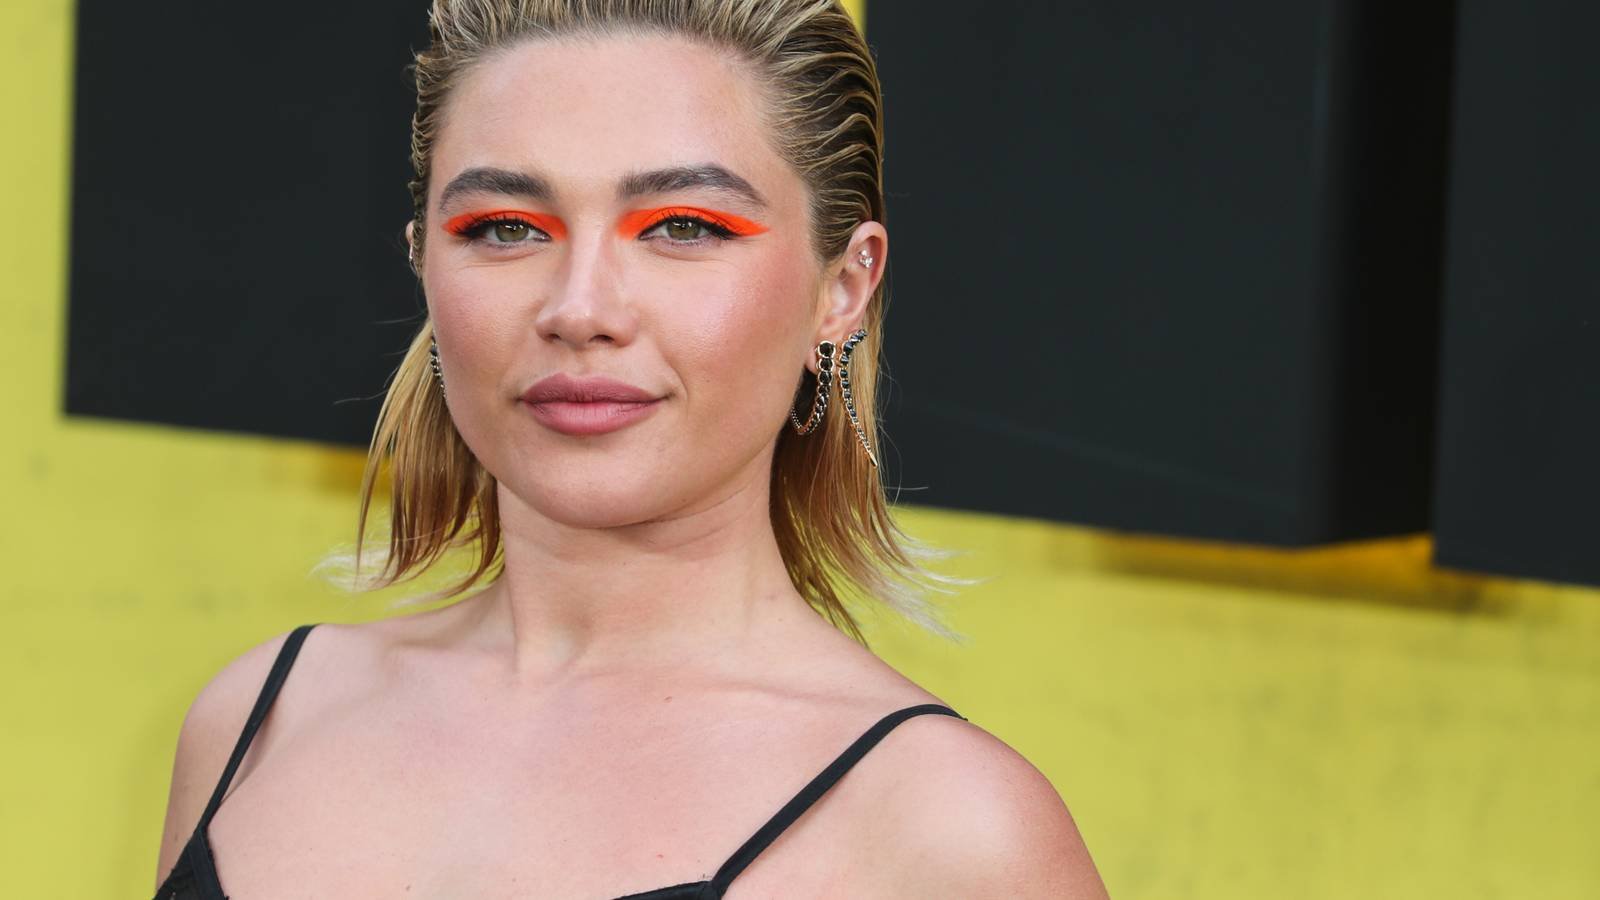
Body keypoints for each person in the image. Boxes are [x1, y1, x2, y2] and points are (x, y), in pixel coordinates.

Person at [153, 1, 1110, 897]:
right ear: (423, 260)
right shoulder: (257, 719)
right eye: (504, 228)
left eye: (684, 227)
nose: (579, 309)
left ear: (843, 288)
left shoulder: (951, 830)